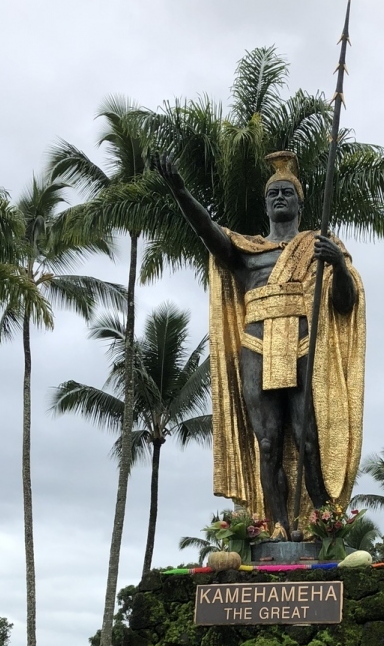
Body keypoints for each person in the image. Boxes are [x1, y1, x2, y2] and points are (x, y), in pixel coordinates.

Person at [155, 150, 365, 537]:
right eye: (273, 194)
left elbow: (345, 304)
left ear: (300, 202)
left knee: (307, 440)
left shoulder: (320, 247)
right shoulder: (248, 251)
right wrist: (180, 191)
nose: (280, 198)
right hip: (257, 344)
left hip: (303, 346)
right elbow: (209, 233)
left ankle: (323, 525)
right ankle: (279, 525)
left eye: (287, 192)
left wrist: (336, 264)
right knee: (267, 444)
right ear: (266, 204)